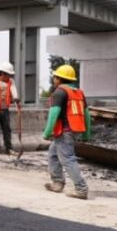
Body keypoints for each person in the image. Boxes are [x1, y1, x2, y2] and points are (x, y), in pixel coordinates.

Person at [42, 64, 92, 200]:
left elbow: (54, 113)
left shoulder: (59, 92)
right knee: (53, 154)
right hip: (73, 129)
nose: (54, 79)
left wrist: (47, 132)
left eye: (55, 77)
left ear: (59, 79)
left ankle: (81, 189)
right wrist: (87, 133)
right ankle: (57, 182)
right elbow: (86, 114)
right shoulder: (78, 92)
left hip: (65, 131)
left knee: (68, 159)